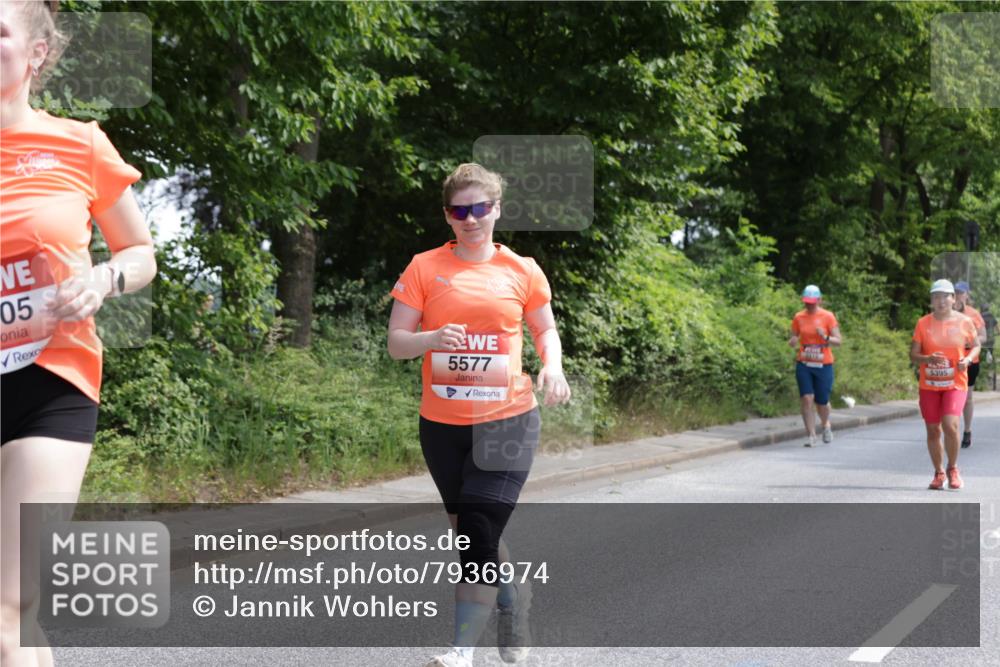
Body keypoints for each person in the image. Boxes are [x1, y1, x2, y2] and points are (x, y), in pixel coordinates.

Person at [1, 2, 157, 664]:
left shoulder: (79, 144)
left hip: (51, 383)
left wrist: (104, 279)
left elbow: (140, 253)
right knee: (21, 618)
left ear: (36, 53)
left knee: (5, 607)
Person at [388, 163, 570, 667]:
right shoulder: (424, 267)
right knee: (472, 534)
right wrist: (429, 338)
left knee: (476, 532)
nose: (470, 219)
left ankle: (460, 652)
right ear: (447, 216)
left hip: (508, 421)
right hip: (442, 427)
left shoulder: (522, 270)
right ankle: (513, 598)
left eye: (480, 208)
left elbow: (544, 330)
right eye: (459, 211)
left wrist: (553, 366)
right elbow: (397, 343)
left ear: (497, 210)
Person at [910, 280, 980, 490]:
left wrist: (968, 360)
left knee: (950, 424)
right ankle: (939, 473)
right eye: (936, 297)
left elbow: (976, 346)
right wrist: (927, 359)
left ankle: (953, 468)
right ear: (931, 301)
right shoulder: (923, 323)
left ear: (953, 298)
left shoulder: (964, 321)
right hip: (929, 384)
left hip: (955, 383)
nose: (940, 301)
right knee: (933, 430)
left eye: (944, 297)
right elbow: (913, 355)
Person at [788, 285, 842, 447]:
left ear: (819, 300)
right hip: (804, 362)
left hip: (824, 364)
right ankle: (811, 435)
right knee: (806, 398)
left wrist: (825, 337)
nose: (809, 305)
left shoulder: (828, 316)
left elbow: (838, 341)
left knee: (822, 402)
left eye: (812, 302)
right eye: (807, 302)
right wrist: (793, 341)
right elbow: (793, 336)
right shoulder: (799, 317)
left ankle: (826, 425)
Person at [952, 281, 987, 447]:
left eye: (961, 293)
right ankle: (952, 430)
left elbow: (983, 336)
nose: (958, 296)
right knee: (951, 396)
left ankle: (967, 430)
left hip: (970, 361)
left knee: (967, 398)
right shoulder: (946, 313)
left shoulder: (974, 314)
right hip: (951, 361)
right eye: (955, 293)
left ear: (966, 295)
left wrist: (969, 342)